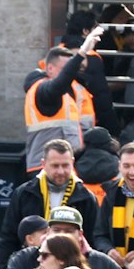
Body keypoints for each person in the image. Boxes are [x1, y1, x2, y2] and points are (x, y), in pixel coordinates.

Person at [24, 30, 103, 175]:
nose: (70, 73)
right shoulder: (44, 91)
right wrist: (82, 52)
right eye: (66, 69)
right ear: (49, 69)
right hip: (44, 169)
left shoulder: (71, 90)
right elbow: (60, 83)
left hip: (65, 166)